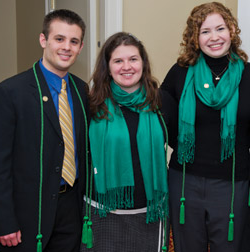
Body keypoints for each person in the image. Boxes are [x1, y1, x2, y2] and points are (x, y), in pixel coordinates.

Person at [161, 2, 250, 252]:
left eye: (220, 29)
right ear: (195, 37)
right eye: (205, 31)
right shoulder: (180, 73)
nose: (214, 37)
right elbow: (165, 122)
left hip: (233, 182)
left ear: (232, 31)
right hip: (185, 180)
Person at [0, 9, 89, 252]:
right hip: (27, 213)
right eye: (59, 39)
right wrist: (3, 220)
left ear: (80, 47)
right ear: (43, 40)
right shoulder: (9, 93)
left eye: (74, 41)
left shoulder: (81, 91)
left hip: (71, 209)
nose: (66, 47)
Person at [81, 32, 177, 252]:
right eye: (118, 61)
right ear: (108, 66)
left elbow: (181, 147)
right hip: (102, 211)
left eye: (133, 59)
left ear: (143, 63)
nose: (127, 66)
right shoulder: (92, 105)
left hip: (149, 211)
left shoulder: (162, 102)